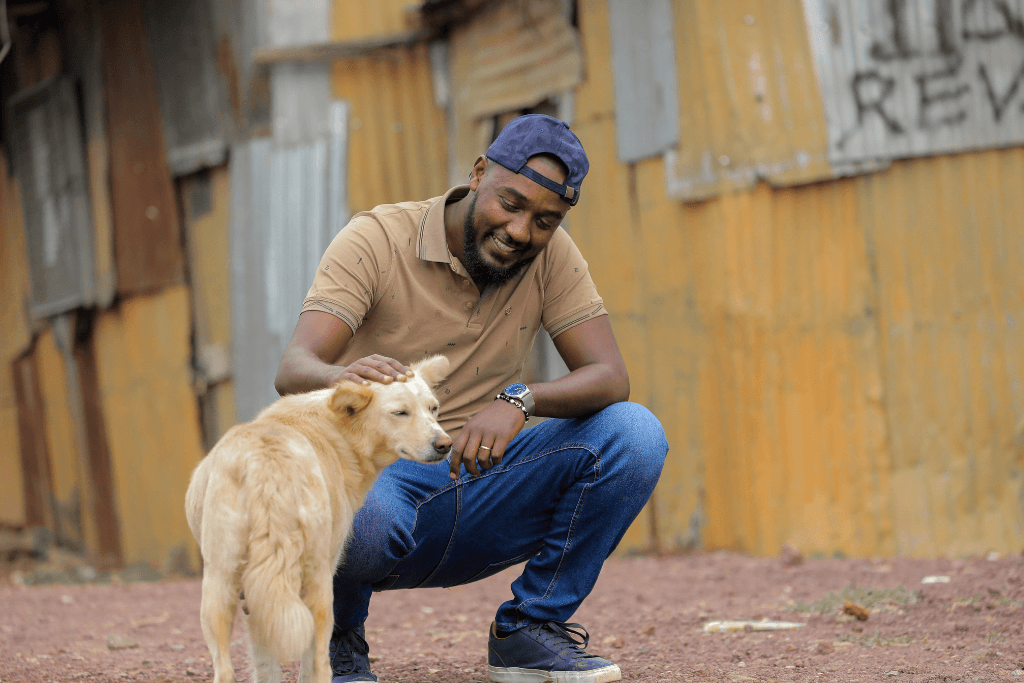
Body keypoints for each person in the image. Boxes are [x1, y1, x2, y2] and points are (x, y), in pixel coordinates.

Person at [274, 113, 668, 683]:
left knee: (633, 433)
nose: (520, 231)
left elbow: (610, 376)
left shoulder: (551, 257)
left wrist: (520, 399)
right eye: (510, 203)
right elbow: (293, 369)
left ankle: (529, 631)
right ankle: (337, 641)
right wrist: (343, 378)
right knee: (361, 513)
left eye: (545, 220)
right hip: (378, 481)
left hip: (478, 481)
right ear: (480, 172)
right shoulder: (378, 238)